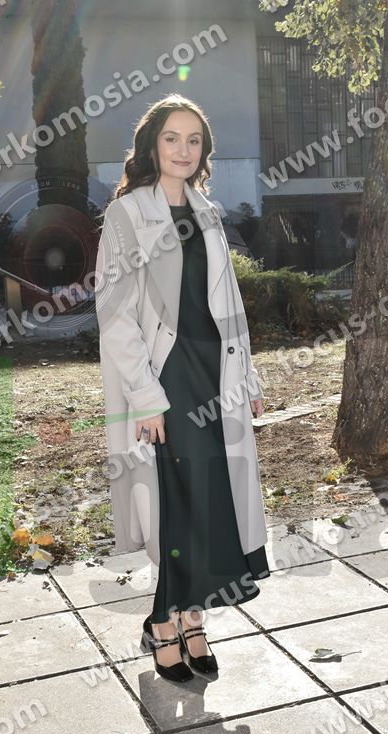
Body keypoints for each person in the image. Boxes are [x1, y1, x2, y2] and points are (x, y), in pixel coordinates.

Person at [95, 94, 270, 683]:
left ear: (204, 151)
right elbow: (115, 314)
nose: (183, 149)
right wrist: (146, 397)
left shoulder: (208, 212)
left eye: (194, 140)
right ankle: (165, 623)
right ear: (151, 145)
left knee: (210, 498)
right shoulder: (126, 215)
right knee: (174, 502)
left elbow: (230, 305)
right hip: (165, 378)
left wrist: (246, 376)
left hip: (214, 374)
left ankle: (193, 618)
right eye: (172, 137)